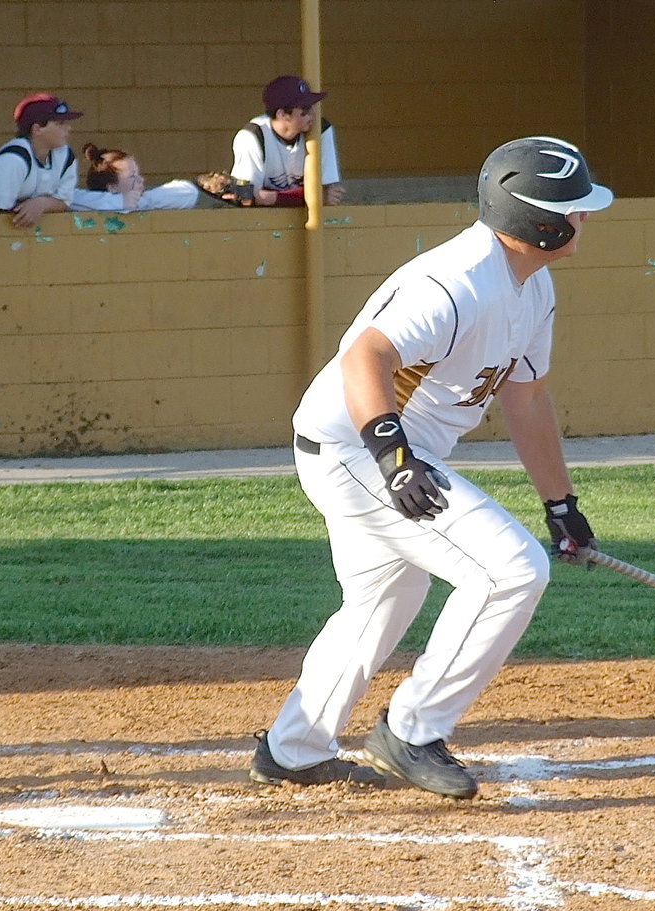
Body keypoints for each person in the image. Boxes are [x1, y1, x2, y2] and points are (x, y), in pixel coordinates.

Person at [249, 136, 613, 799]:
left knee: (387, 596)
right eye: (575, 209)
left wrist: (562, 504)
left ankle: (293, 748)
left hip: (380, 451)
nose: (584, 218)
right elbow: (366, 357)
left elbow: (526, 398)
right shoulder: (455, 282)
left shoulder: (532, 288)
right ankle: (412, 728)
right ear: (540, 220)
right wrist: (394, 460)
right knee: (512, 571)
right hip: (357, 446)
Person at [229, 74, 345, 208]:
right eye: (305, 109)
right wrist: (309, 196)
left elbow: (326, 192)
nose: (313, 113)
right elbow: (245, 197)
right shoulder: (252, 136)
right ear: (282, 115)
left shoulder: (321, 129)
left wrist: (269, 197)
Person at [0, 93, 83, 228]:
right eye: (60, 123)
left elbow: (64, 201)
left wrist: (42, 203)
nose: (68, 128)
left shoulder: (65, 155)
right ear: (37, 129)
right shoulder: (13, 159)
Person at [70, 143, 230, 213]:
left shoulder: (151, 197)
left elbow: (187, 192)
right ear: (112, 187)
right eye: (132, 176)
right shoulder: (96, 202)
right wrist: (121, 202)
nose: (141, 181)